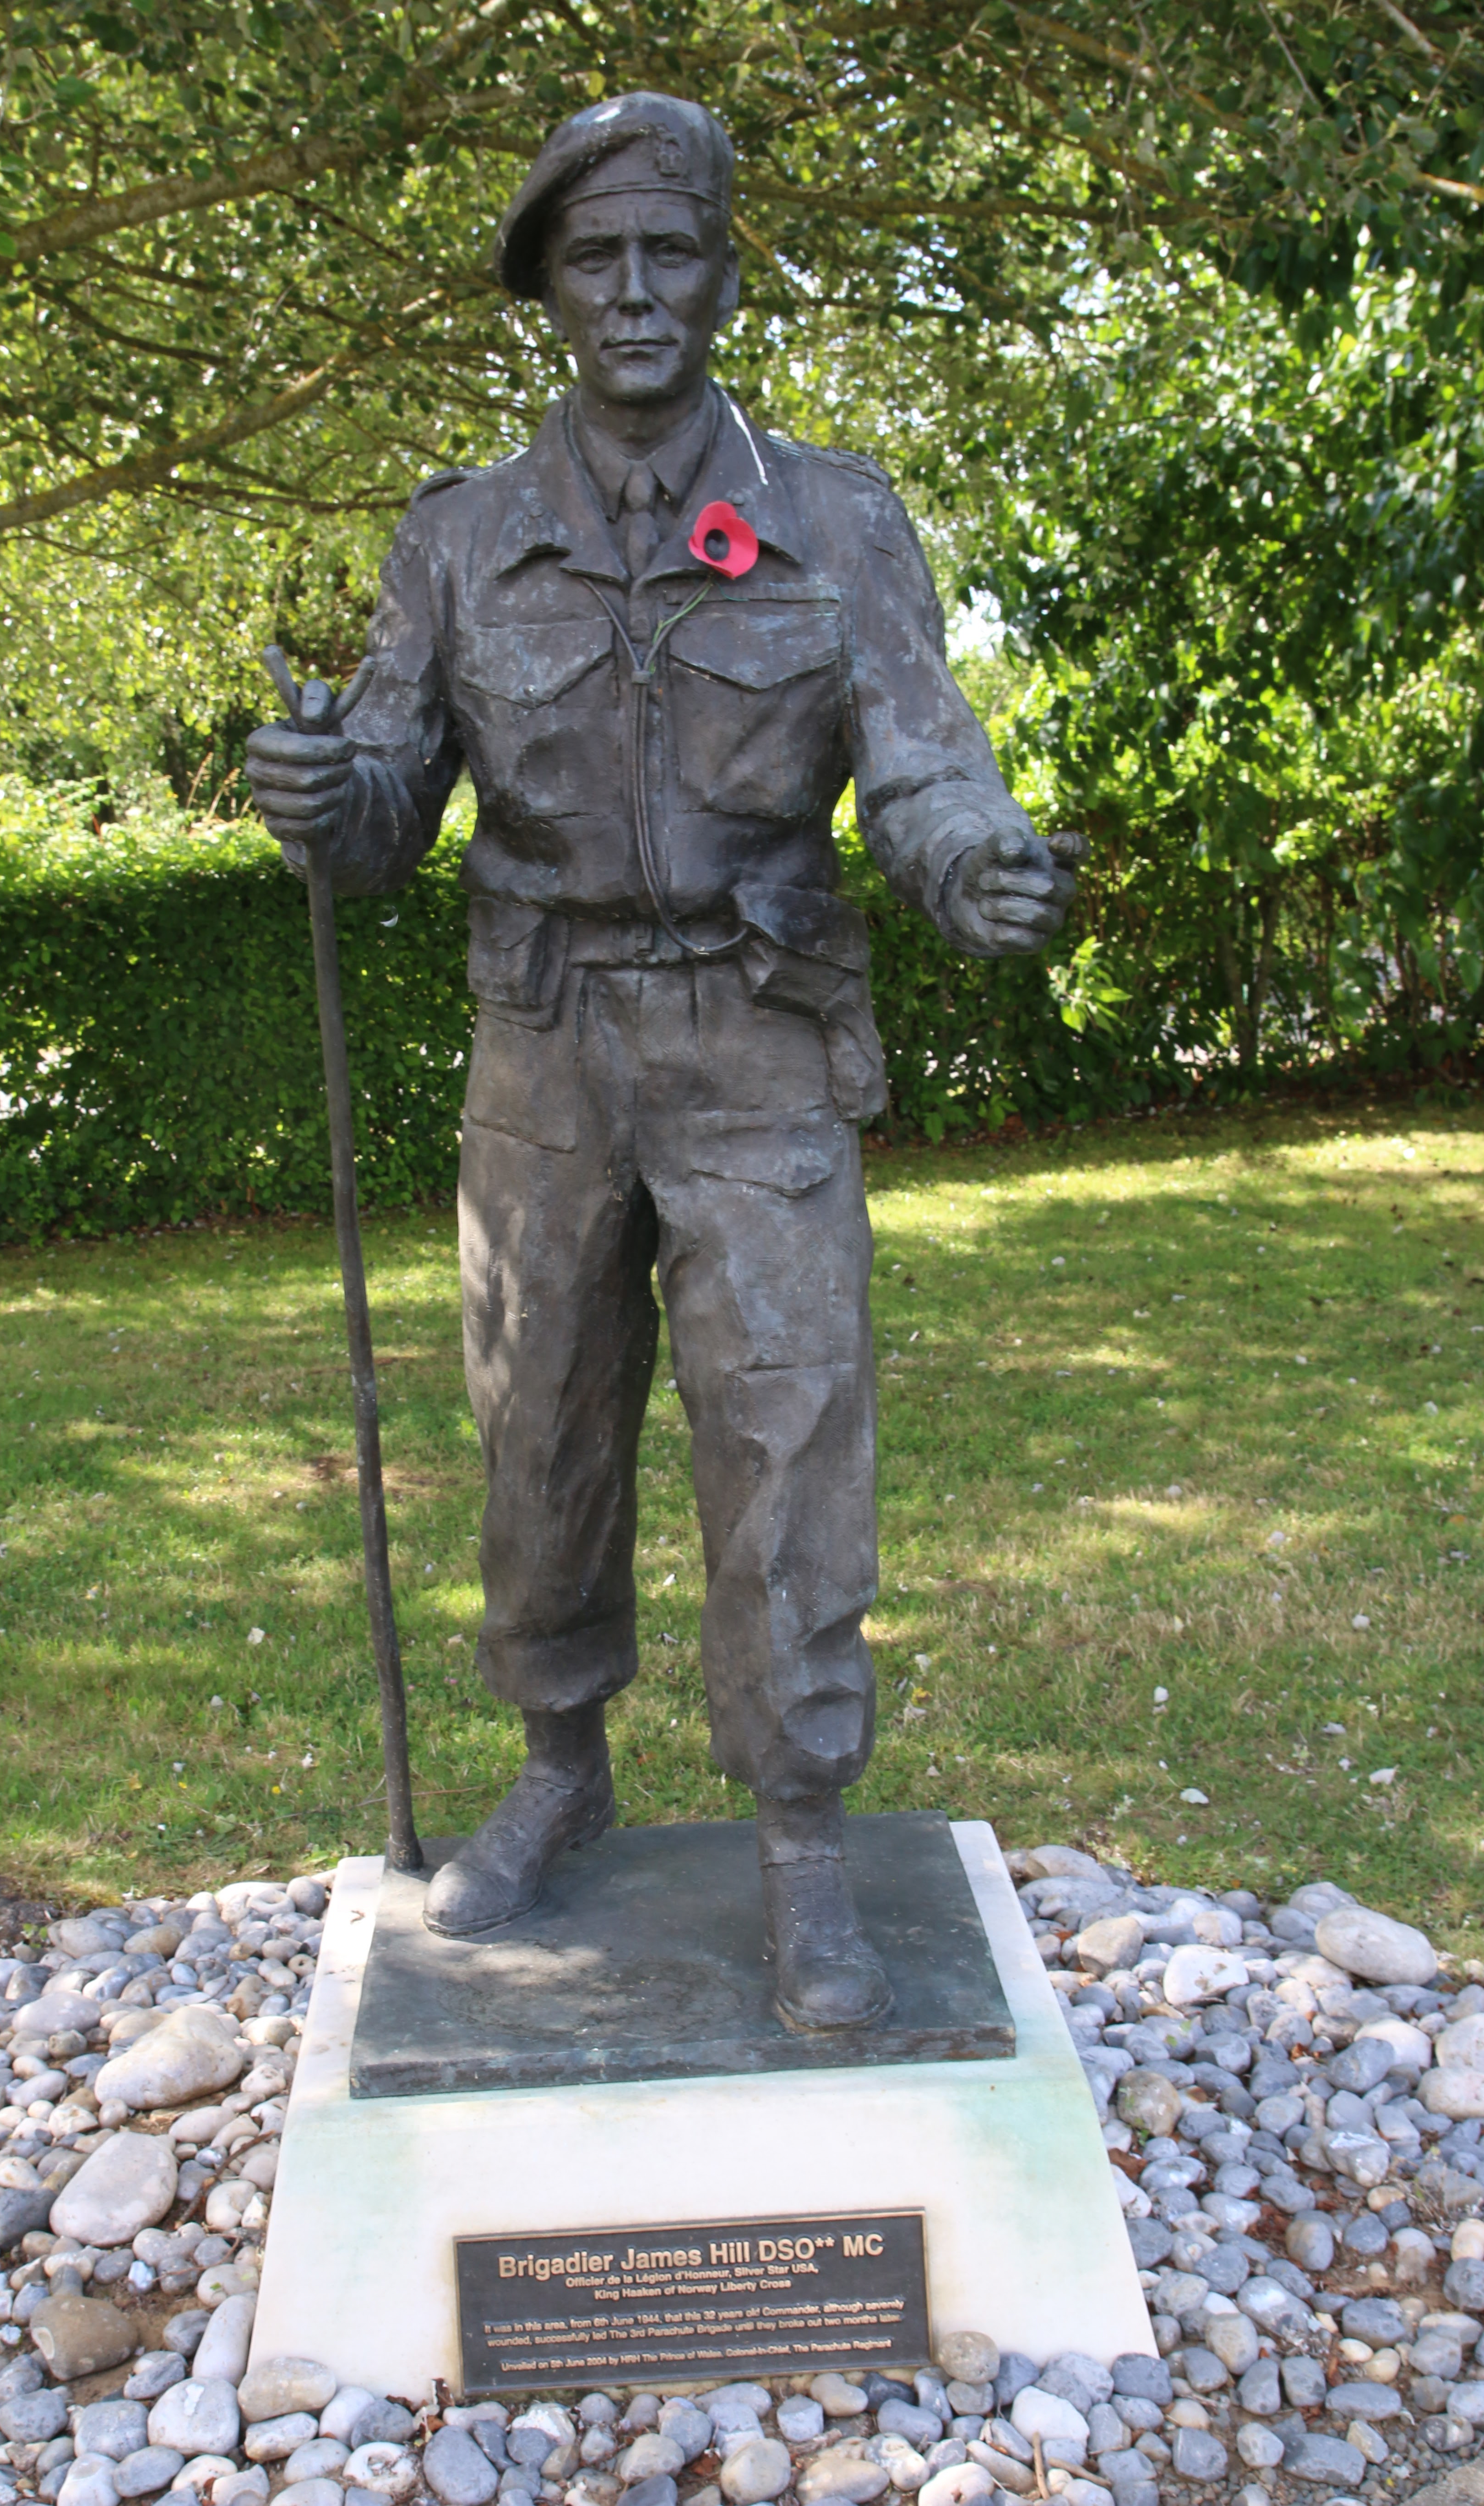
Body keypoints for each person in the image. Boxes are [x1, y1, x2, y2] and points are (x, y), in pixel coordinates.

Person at [245, 93, 1076, 2033]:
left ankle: (801, 1838)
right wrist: (324, 796)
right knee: (538, 1428)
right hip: (546, 1051)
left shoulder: (835, 518)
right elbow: (386, 805)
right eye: (595, 258)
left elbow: (924, 756)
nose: (634, 292)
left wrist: (974, 862)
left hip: (758, 1040)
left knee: (787, 1439)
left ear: (719, 278)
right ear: (549, 289)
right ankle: (560, 1766)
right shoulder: (460, 537)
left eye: (670, 253)